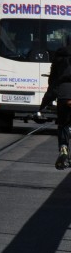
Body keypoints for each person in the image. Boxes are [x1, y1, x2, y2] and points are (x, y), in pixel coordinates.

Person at [41, 38, 71, 169]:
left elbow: (52, 81)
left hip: (63, 95)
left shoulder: (58, 58)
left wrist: (45, 102)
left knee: (63, 123)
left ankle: (63, 147)